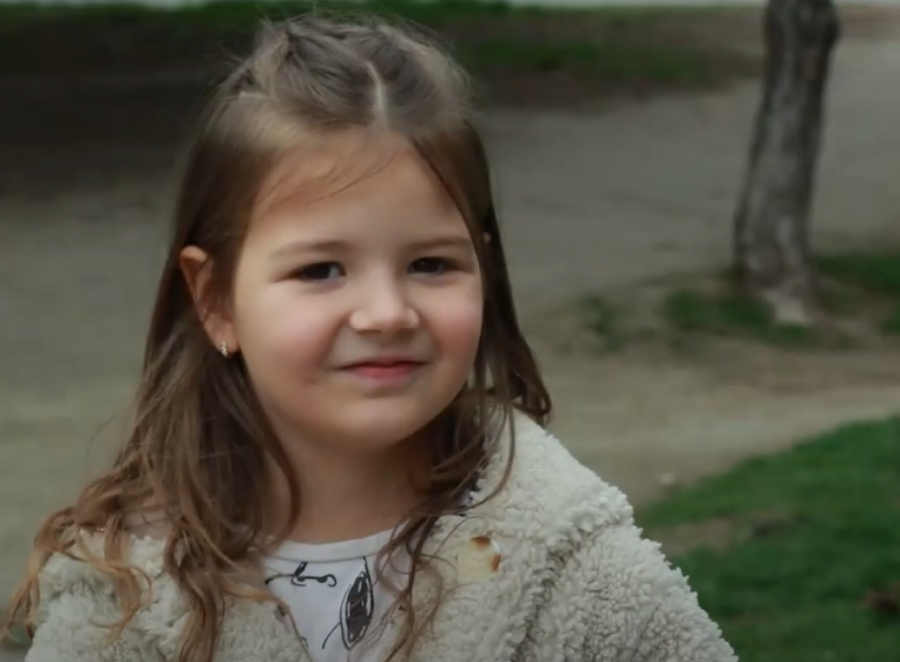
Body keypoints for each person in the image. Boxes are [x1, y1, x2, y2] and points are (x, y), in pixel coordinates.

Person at [2, 13, 736, 662]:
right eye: (321, 270)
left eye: (431, 264)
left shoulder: (580, 568)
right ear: (217, 300)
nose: (386, 313)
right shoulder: (124, 590)